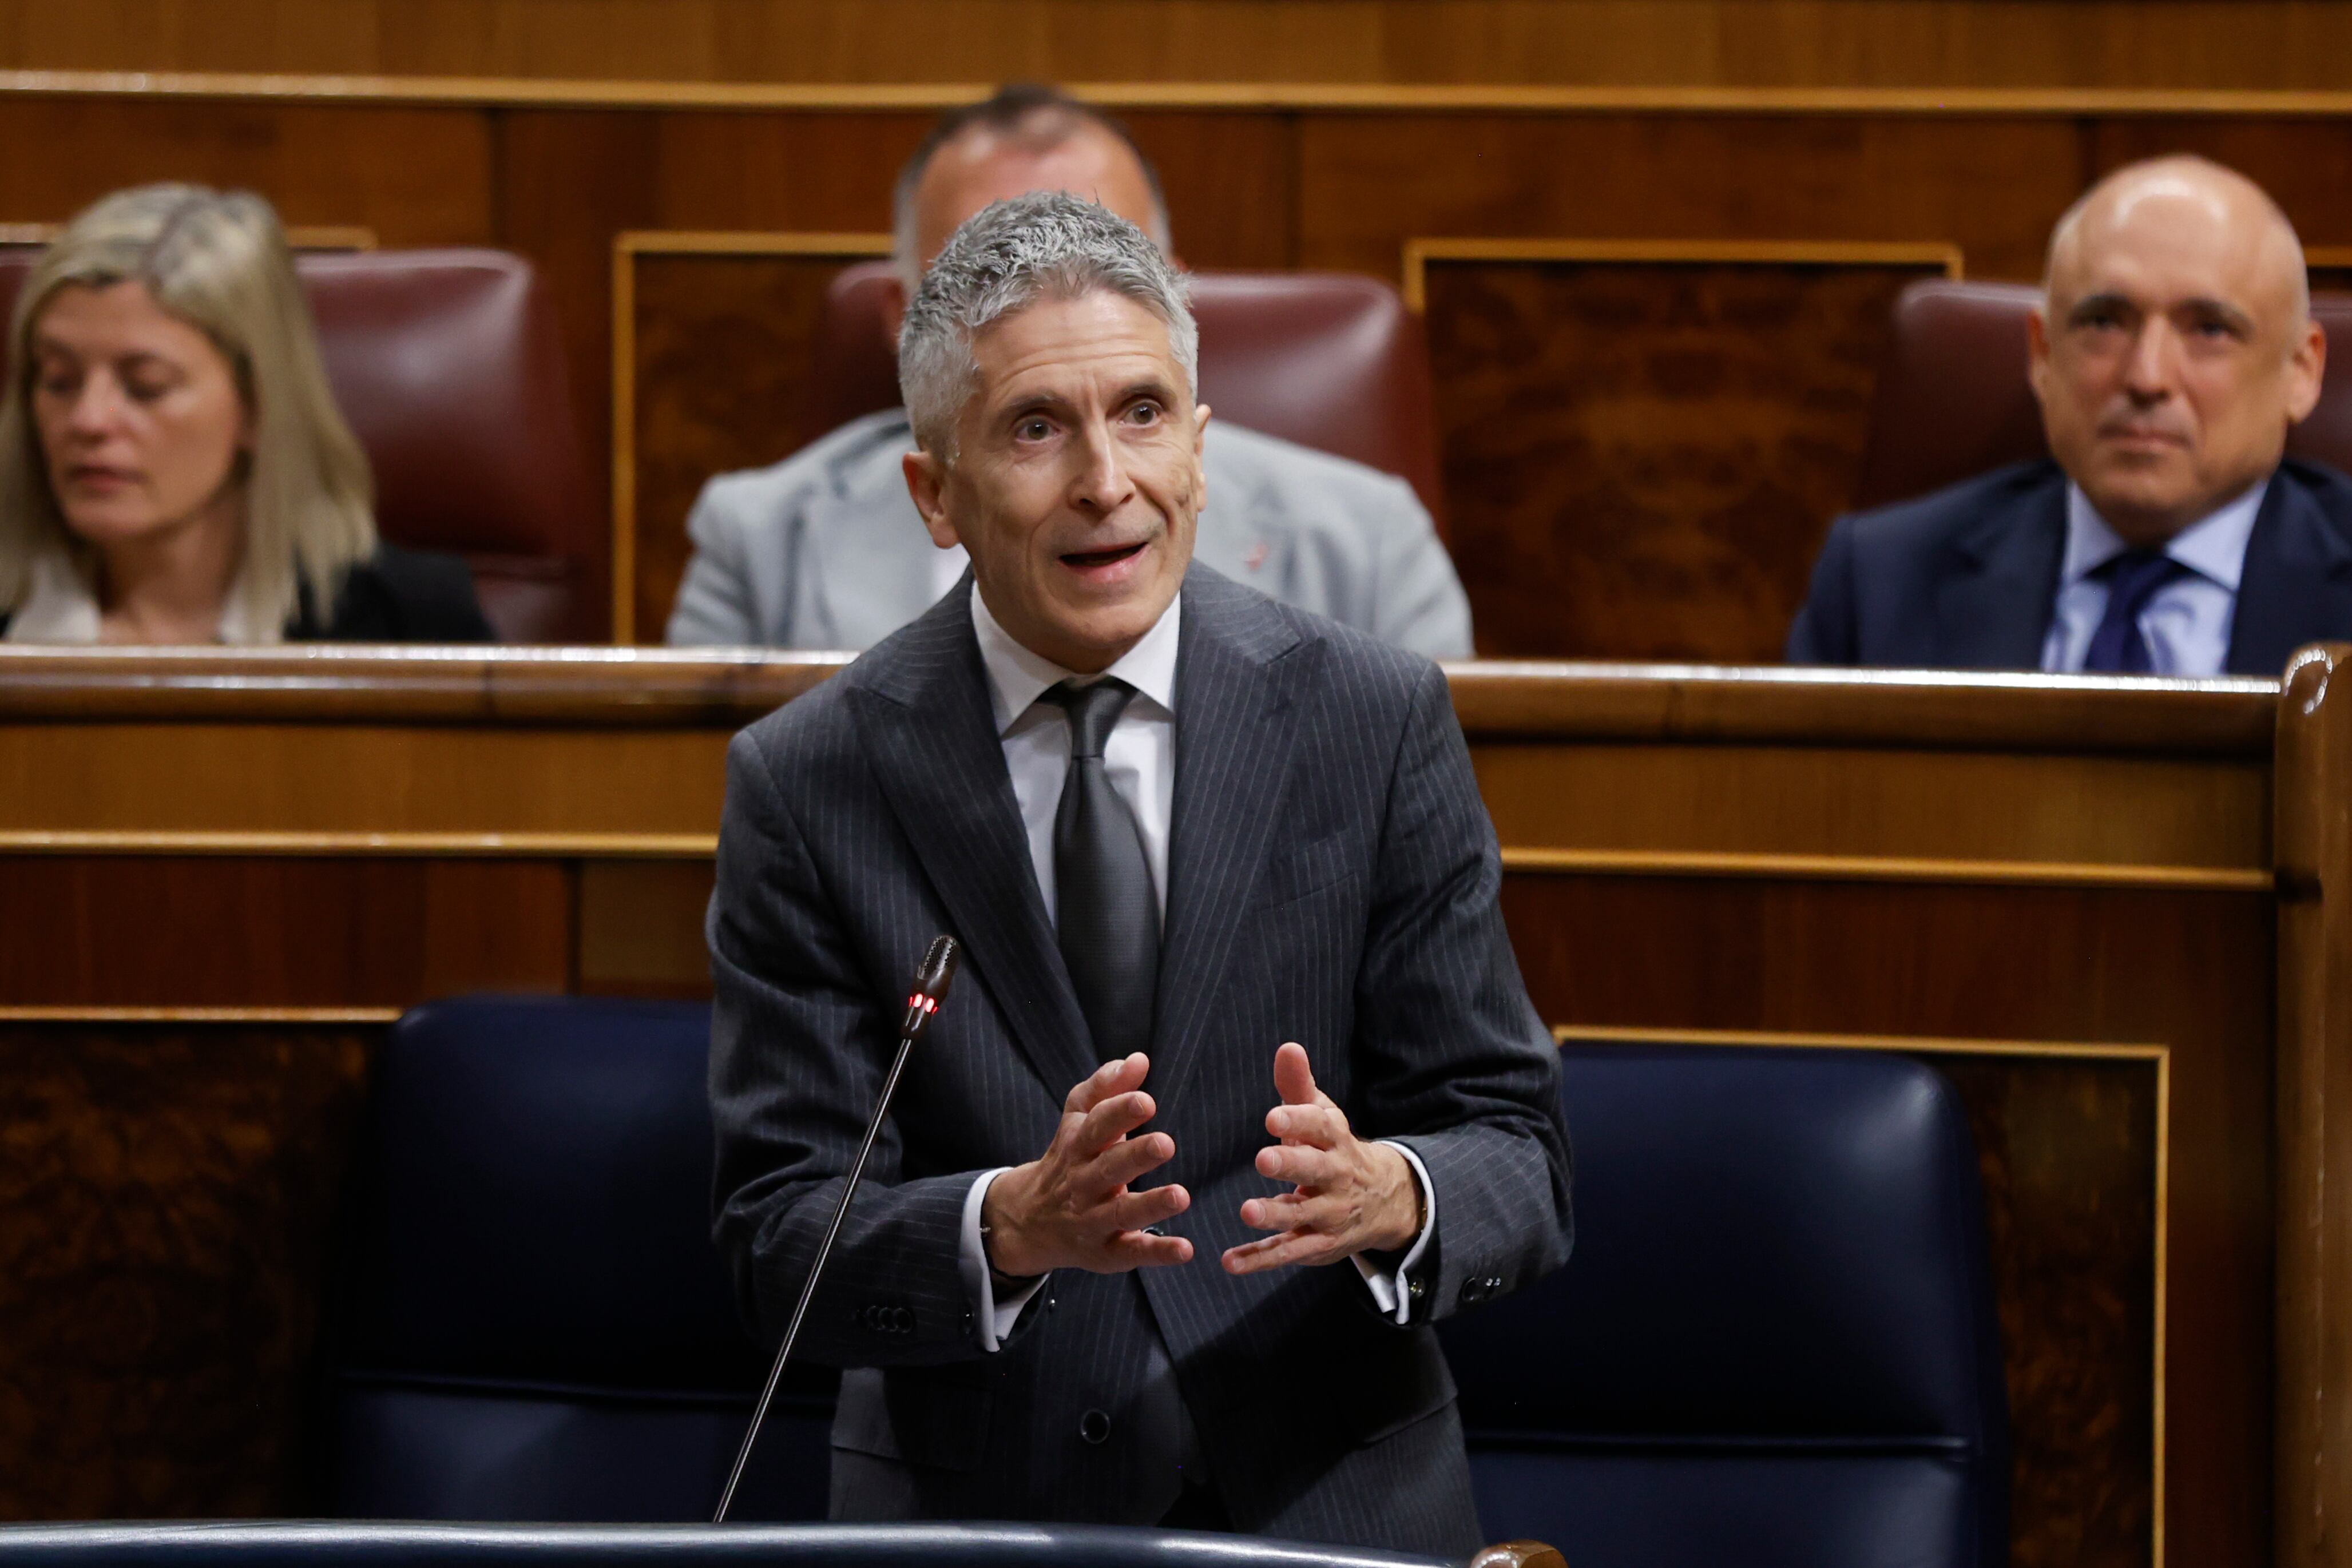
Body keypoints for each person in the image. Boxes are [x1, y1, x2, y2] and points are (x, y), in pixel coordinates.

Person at [707, 193, 1570, 1552]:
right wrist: (1007, 1223)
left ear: (1203, 449)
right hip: (977, 1512)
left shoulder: (1373, 717)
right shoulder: (812, 780)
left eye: (1144, 413)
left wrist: (1394, 1191)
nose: (1107, 480)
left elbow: (1517, 1148)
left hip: (1326, 1506)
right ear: (936, 492)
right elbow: (775, 1240)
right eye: (1036, 427)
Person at [666, 84, 1473, 659]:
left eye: (1103, 262)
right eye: (986, 276)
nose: (1055, 305)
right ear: (898, 318)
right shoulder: (758, 541)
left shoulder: (1368, 545)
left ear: (1174, 300)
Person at [1787, 154, 2352, 676]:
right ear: (2041, 354)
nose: (2146, 377)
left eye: (2209, 329)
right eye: (2104, 322)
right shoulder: (1878, 582)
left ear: (2300, 372)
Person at [0, 184, 491, 644]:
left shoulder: (411, 621)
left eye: (144, 387)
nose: (88, 419)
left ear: (258, 406)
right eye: (59, 380)